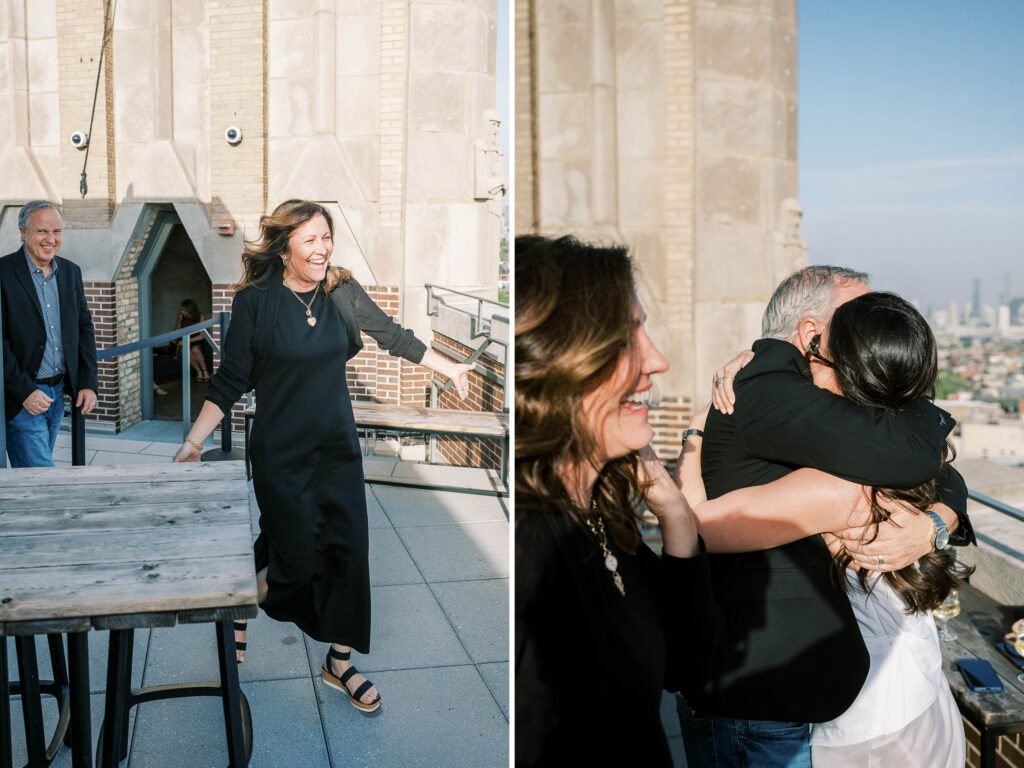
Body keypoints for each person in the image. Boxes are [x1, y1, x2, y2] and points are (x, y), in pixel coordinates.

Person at [172, 199, 472, 712]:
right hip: (281, 454)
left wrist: (449, 368)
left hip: (336, 449)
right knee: (298, 556)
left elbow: (393, 337)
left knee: (348, 553)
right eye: (310, 239)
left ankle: (339, 662)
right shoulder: (256, 303)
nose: (322, 248)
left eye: (327, 237)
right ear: (285, 247)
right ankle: (242, 603)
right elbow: (230, 381)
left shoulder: (341, 292)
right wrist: (194, 442)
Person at [671, 266, 973, 768]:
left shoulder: (849, 463)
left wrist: (694, 436)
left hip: (875, 710)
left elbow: (696, 526)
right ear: (812, 333)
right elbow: (938, 461)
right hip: (903, 694)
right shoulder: (856, 434)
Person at [515, 235, 719, 766]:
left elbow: (684, 669)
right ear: (561, 359)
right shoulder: (529, 550)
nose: (657, 360)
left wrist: (675, 512)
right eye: (628, 338)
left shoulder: (601, 513)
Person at [0, 200, 98, 467]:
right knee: (42, 475)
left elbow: (84, 328)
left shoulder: (70, 272)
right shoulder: (3, 273)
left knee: (32, 478)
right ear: (23, 233)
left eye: (57, 232)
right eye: (42, 231)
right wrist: (25, 391)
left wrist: (88, 382)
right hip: (23, 398)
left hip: (59, 393)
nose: (51, 239)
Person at [173, 298, 210, 381]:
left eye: (184, 310)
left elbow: (202, 336)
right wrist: (179, 320)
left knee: (195, 350)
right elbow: (177, 331)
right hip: (185, 341)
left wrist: (185, 341)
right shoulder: (182, 316)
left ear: (190, 310)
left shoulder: (200, 316)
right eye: (181, 309)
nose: (182, 311)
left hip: (198, 340)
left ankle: (205, 371)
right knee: (187, 352)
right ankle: (199, 372)